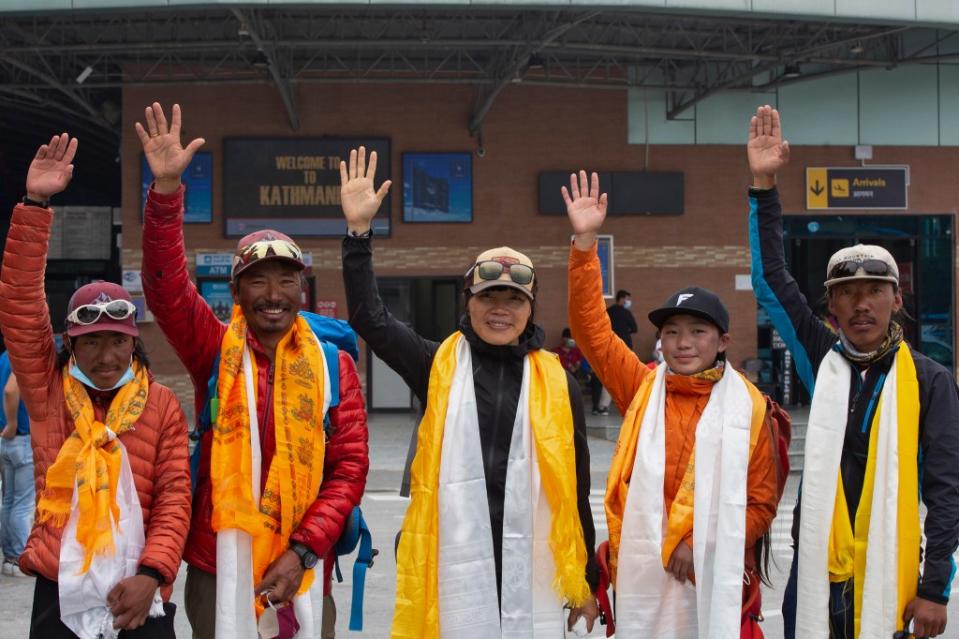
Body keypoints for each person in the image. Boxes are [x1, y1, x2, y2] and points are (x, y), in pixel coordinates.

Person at [339, 146, 600, 637]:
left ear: (530, 308)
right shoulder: (437, 363)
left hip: (533, 560)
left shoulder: (556, 380)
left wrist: (584, 577)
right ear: (469, 302)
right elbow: (369, 320)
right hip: (451, 555)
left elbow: (576, 487)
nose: (499, 310)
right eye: (488, 298)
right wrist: (358, 236)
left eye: (513, 300)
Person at [138, 102, 369, 639]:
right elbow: (167, 290)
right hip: (220, 561)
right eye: (257, 281)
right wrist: (167, 194)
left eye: (286, 281)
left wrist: (304, 548)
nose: (273, 295)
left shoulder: (335, 367)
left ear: (303, 290)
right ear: (236, 292)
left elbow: (350, 468)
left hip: (305, 568)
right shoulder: (216, 349)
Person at [747, 104, 959, 639]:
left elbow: (947, 490)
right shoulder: (822, 356)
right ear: (831, 305)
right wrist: (763, 186)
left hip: (893, 579)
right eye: (847, 293)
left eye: (873, 292)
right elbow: (771, 278)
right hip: (818, 574)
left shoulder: (931, 381)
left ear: (896, 298)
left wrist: (936, 589)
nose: (860, 304)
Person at [564, 170, 782, 637]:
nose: (682, 343)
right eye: (671, 331)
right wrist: (585, 246)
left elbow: (761, 504)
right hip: (641, 577)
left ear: (723, 341)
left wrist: (696, 543)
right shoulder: (642, 386)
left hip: (709, 575)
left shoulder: (752, 408)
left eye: (697, 332)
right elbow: (592, 332)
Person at [0, 132, 191, 638]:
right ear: (70, 345)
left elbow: (174, 496)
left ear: (135, 343)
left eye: (117, 342)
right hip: (58, 589)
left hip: (141, 589)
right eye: (90, 343)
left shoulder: (162, 404)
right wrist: (35, 204)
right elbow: (21, 306)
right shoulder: (48, 390)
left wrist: (152, 574)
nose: (105, 357)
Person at [0, 350, 34, 577]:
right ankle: (23, 560)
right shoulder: (21, 356)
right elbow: (11, 390)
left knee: (9, 501)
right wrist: (12, 424)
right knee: (23, 504)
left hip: (7, 440)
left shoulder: (3, 357)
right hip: (20, 437)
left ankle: (10, 558)